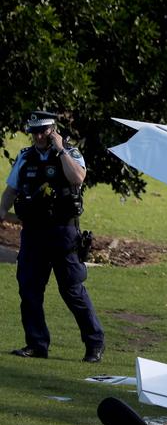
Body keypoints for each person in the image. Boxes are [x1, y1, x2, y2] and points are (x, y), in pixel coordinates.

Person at [1, 111, 104, 362]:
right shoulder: (25, 157)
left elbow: (78, 178)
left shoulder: (71, 153)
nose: (38, 136)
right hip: (34, 234)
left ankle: (94, 345)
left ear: (53, 130)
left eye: (43, 131)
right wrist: (2, 212)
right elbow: (11, 189)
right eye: (34, 132)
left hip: (63, 233)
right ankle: (37, 344)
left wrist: (61, 150)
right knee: (29, 289)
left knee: (72, 290)